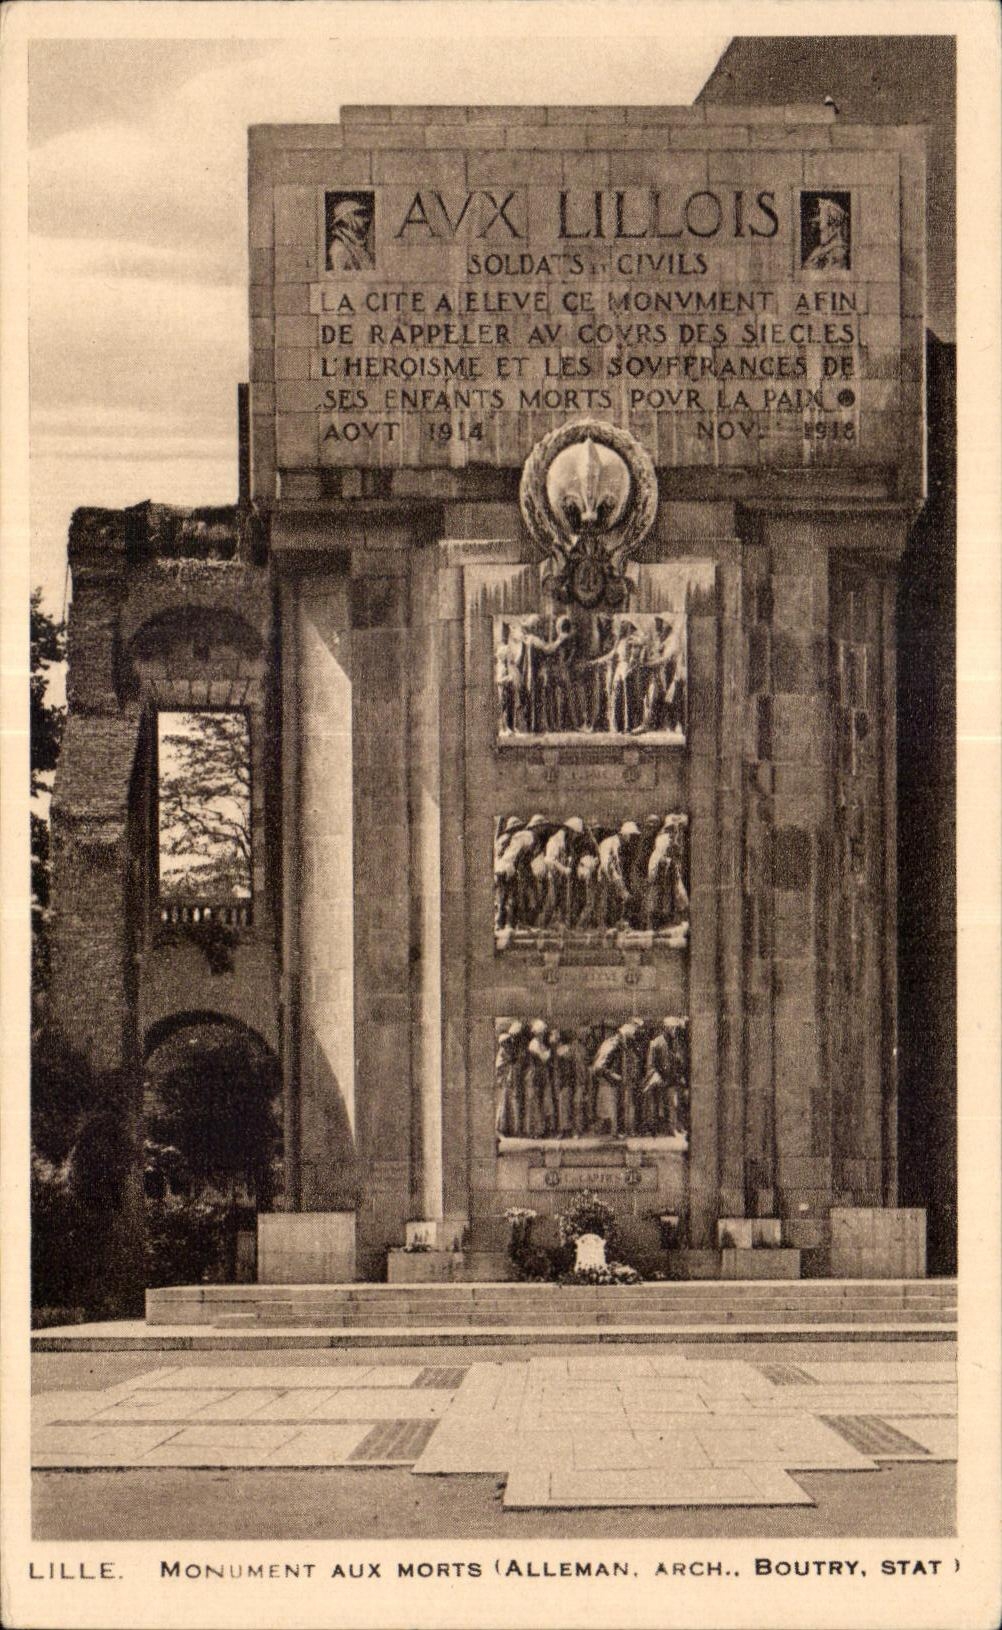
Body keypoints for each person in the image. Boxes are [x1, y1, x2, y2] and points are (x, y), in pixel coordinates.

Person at [644, 815, 689, 930]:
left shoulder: (668, 837)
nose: (675, 831)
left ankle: (672, 919)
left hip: (666, 867)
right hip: (662, 867)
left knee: (673, 892)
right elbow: (663, 856)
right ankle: (661, 922)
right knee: (663, 893)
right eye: (673, 828)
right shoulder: (664, 838)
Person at [523, 1019, 555, 1137]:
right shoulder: (534, 1044)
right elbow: (543, 1058)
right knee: (535, 1103)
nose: (543, 1034)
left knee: (543, 1102)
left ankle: (542, 1129)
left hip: (541, 1074)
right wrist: (551, 1050)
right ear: (538, 1033)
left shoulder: (540, 1043)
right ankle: (535, 1131)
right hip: (535, 1074)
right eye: (542, 1032)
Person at [327, 195, 375, 271]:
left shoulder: (355, 245)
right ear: (347, 219)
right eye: (359, 215)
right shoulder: (339, 250)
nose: (366, 219)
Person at [495, 1021, 526, 1137]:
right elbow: (502, 1066)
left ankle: (514, 1128)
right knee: (507, 1104)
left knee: (514, 1104)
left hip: (512, 1080)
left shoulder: (513, 1048)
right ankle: (503, 1128)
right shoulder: (504, 1052)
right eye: (508, 1041)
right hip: (507, 1081)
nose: (511, 1042)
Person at [803, 194, 849, 271]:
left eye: (820, 222)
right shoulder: (820, 250)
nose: (819, 228)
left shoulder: (838, 253)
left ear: (833, 227)